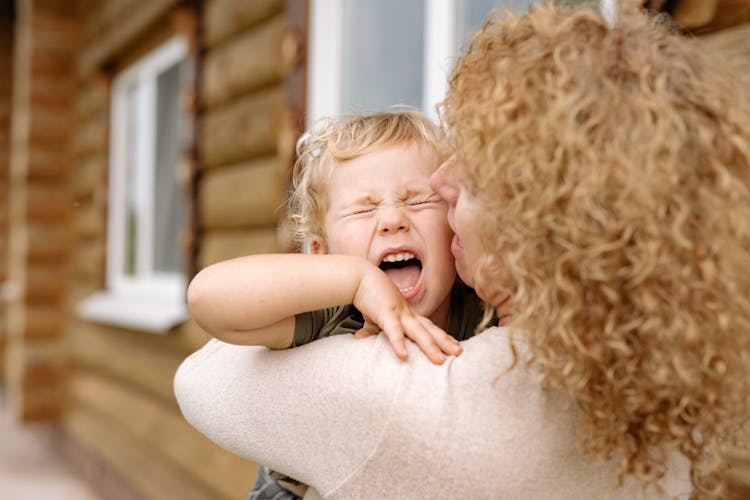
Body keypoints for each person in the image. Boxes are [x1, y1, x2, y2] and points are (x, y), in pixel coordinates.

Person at [175, 3, 750, 499]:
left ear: (533, 222)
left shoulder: (422, 406)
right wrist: (347, 280)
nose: (434, 195)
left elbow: (201, 380)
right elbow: (211, 294)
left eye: (470, 180)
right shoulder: (656, 365)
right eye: (365, 208)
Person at [185, 110, 493, 499]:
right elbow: (206, 297)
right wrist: (356, 280)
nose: (393, 220)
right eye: (364, 209)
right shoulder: (329, 313)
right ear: (322, 252)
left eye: (418, 201)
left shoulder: (481, 310)